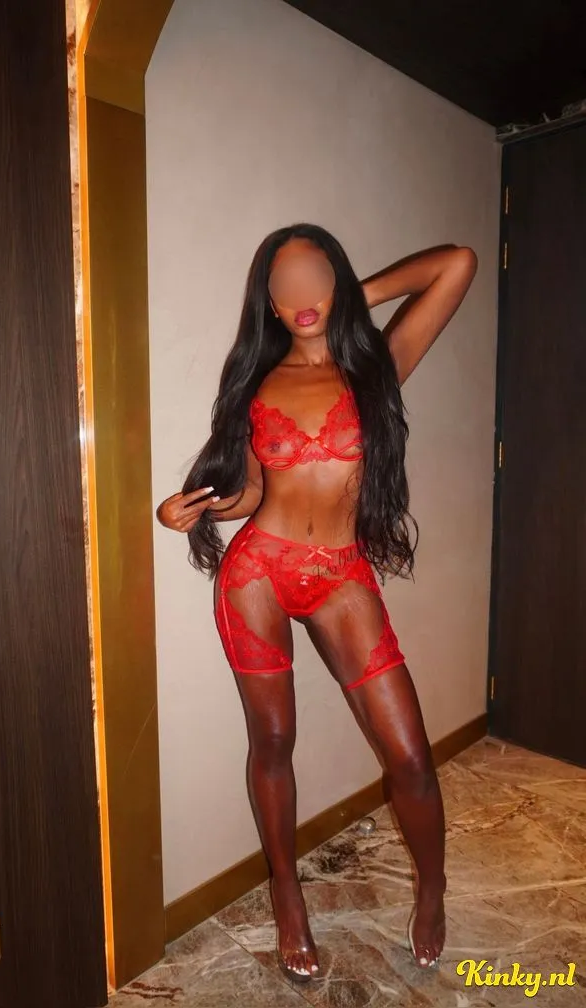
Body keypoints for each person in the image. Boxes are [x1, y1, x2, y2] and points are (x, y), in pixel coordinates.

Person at [156, 223, 477, 981]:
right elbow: (254, 489)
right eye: (285, 286)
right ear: (266, 302)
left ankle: (431, 888)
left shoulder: (376, 369)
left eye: (315, 278)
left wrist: (348, 302)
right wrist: (192, 510)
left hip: (340, 575)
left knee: (411, 758)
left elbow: (456, 265)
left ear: (336, 281)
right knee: (272, 741)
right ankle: (287, 893)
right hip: (258, 574)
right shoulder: (256, 383)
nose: (300, 296)